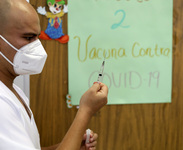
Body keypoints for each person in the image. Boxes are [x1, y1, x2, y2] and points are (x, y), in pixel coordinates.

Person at [0, 0, 108, 150]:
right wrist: (86, 110)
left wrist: (73, 144)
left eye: (37, 37)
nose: (36, 47)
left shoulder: (14, 91)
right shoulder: (2, 105)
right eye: (28, 38)